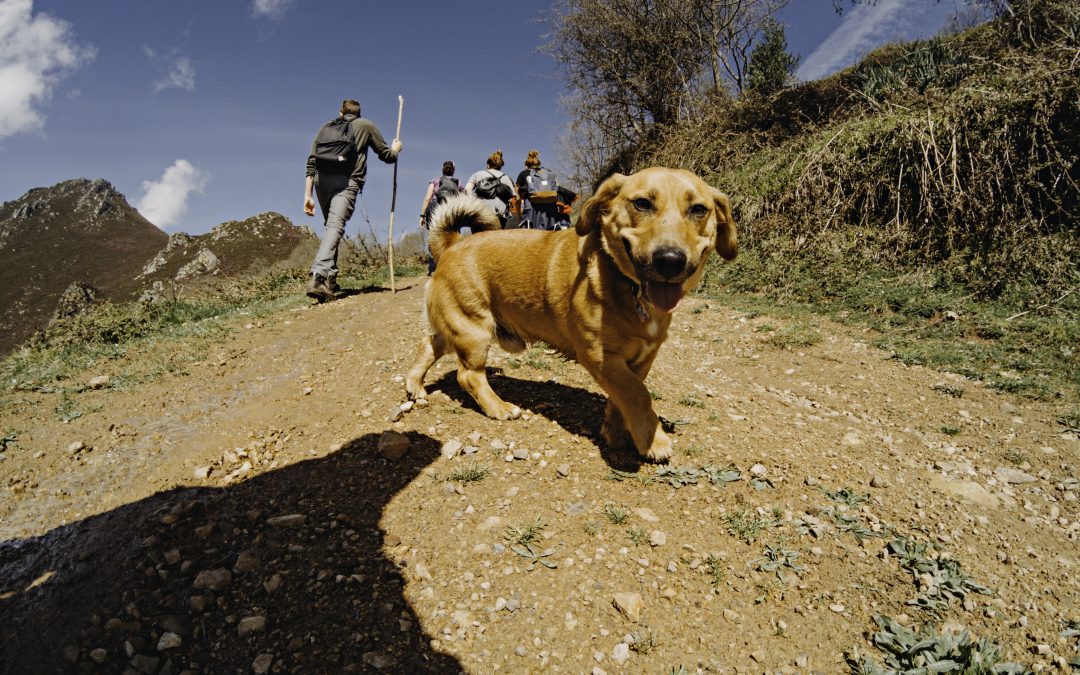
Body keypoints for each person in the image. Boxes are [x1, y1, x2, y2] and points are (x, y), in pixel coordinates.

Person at [303, 98, 401, 302]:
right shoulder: (366, 125)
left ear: (341, 112)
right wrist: (396, 149)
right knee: (335, 227)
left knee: (331, 226)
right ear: (358, 113)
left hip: (321, 182)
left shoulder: (325, 128)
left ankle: (330, 280)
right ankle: (318, 278)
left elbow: (312, 161)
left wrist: (308, 195)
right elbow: (386, 156)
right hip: (347, 182)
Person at [419, 161, 463, 273]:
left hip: (435, 209)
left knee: (433, 238)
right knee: (453, 238)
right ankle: (451, 267)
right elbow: (463, 198)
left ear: (442, 169)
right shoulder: (457, 182)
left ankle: (434, 269)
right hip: (450, 210)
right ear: (453, 170)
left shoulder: (435, 180)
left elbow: (428, 198)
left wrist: (422, 215)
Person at [464, 150, 516, 228]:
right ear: (500, 166)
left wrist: (473, 204)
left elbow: (467, 189)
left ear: (488, 165)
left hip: (481, 213)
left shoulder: (478, 174)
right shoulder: (506, 178)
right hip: (500, 216)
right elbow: (513, 196)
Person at [515, 150, 560, 230]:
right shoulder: (547, 173)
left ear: (526, 165)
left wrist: (519, 212)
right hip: (549, 207)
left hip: (531, 207)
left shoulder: (523, 174)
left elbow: (517, 193)